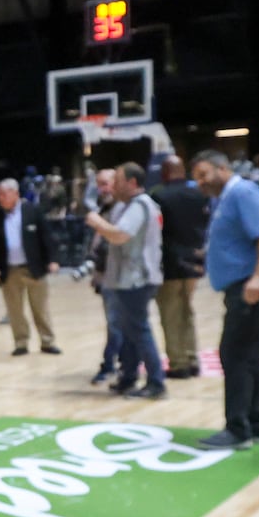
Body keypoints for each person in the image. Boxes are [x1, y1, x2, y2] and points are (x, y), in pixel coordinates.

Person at [191, 151, 259, 450]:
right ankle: (255, 424)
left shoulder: (243, 192)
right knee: (250, 357)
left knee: (233, 354)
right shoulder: (225, 199)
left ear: (223, 168)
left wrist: (258, 277)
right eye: (196, 178)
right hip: (245, 286)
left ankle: (237, 429)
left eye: (204, 174)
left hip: (253, 287)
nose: (201, 183)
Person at [85, 163, 166, 399]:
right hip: (125, 278)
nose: (113, 186)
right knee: (129, 331)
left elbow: (120, 235)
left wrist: (96, 221)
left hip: (136, 279)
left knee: (139, 330)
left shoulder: (140, 205)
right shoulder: (126, 205)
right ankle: (128, 377)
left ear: (132, 183)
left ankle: (156, 382)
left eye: (118, 181)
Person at [0, 178, 60, 356]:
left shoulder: (32, 211)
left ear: (16, 194)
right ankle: (21, 343)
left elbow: (47, 236)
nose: (1, 198)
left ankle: (47, 341)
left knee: (40, 308)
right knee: (14, 310)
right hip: (8, 270)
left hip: (34, 267)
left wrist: (53, 259)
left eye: (4, 194)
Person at [150, 156, 210, 377]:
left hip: (169, 263)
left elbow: (154, 231)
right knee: (187, 310)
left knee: (171, 314)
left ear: (164, 172)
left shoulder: (158, 196)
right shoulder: (199, 195)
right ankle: (193, 357)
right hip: (194, 261)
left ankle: (178, 363)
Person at [87, 168, 125, 386]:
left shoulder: (125, 208)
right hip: (106, 275)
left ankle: (112, 366)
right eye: (100, 184)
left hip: (122, 277)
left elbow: (117, 237)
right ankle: (119, 365)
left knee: (117, 325)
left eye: (106, 183)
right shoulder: (104, 208)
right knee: (114, 324)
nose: (103, 188)